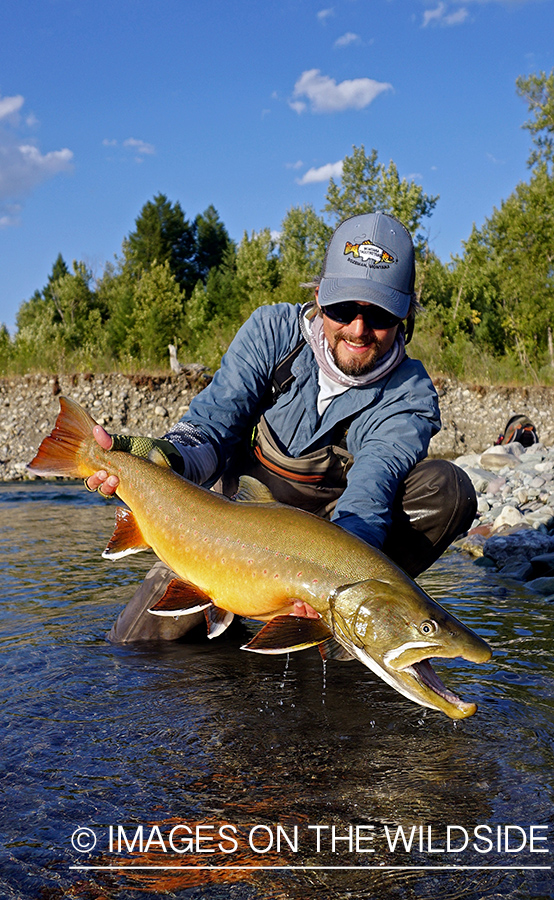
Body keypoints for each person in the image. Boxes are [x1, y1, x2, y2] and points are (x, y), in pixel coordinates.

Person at [86, 212, 477, 642]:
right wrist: (164, 458)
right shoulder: (272, 333)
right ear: (318, 296)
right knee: (135, 648)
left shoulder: (410, 394)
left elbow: (370, 495)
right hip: (225, 532)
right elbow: (211, 428)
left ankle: (347, 630)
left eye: (380, 315)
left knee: (447, 489)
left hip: (334, 540)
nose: (359, 329)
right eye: (343, 308)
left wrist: (330, 589)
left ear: (404, 316)